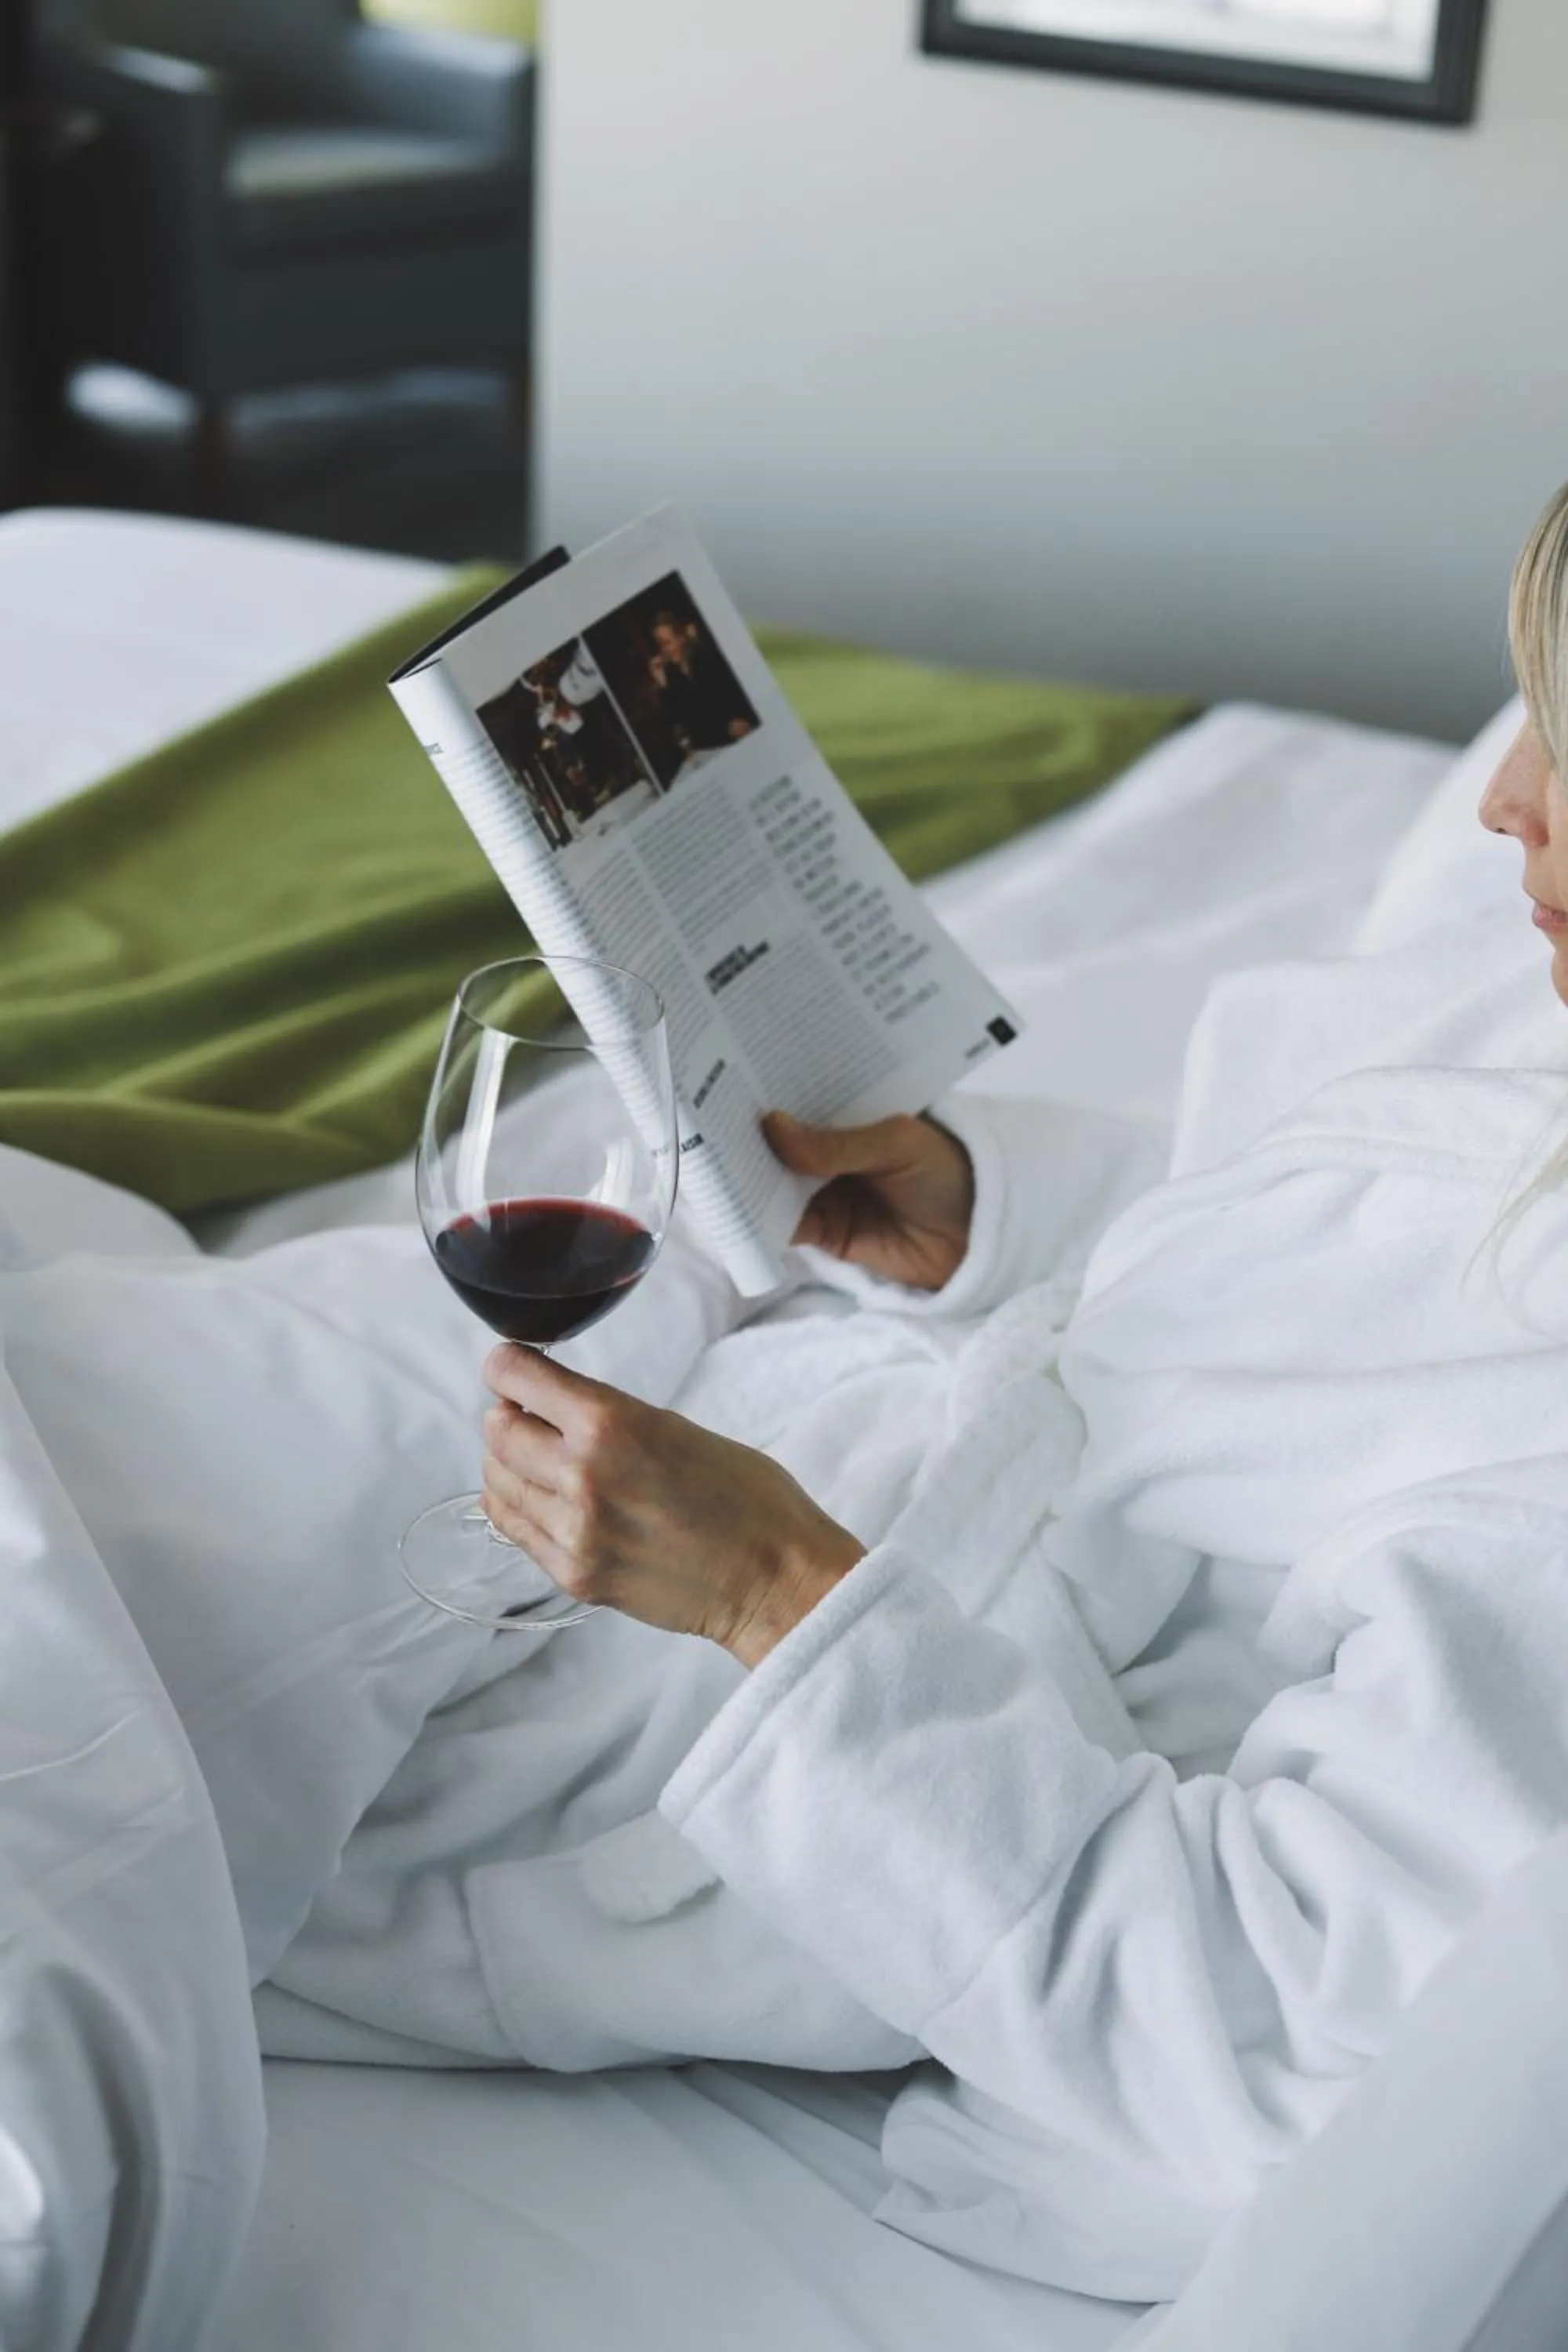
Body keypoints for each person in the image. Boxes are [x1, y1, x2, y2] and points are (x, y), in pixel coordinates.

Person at [267, 482, 1568, 2307]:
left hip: (779, 1696)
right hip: (831, 1415)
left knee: (113, 1572)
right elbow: (1338, 1260)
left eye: (1567, 741)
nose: (1502, 797)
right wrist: (994, 1214)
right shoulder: (1533, 972)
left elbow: (1254, 2031)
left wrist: (769, 1595)